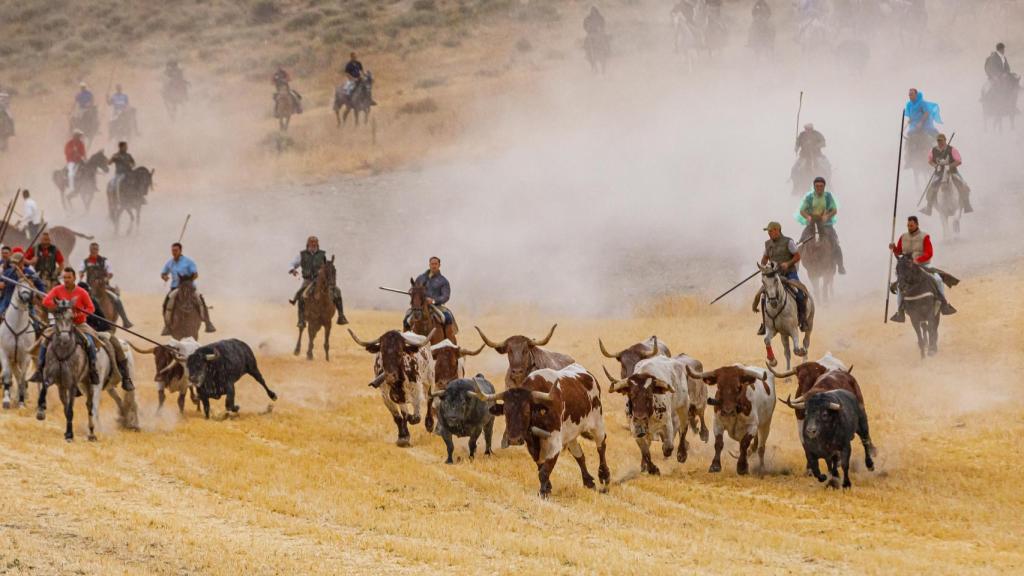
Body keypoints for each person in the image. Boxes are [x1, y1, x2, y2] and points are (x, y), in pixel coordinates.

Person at [30, 268, 130, 391]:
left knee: (90, 340)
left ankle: (93, 369)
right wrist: (57, 307)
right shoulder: (57, 290)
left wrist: (78, 314)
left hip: (79, 323)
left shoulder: (82, 292)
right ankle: (40, 369)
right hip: (62, 324)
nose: (66, 280)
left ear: (74, 278)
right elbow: (46, 301)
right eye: (64, 278)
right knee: (45, 338)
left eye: (68, 277)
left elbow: (91, 308)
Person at [888, 216, 956, 322]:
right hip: (908, 268)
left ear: (916, 224)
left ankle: (944, 305)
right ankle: (900, 312)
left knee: (938, 279)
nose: (909, 227)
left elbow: (929, 253)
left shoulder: (924, 237)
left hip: (923, 266)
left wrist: (918, 260)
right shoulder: (903, 237)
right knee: (899, 285)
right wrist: (894, 248)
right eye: (908, 225)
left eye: (911, 225)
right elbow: (899, 252)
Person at [75, 280, 134, 391]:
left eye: (85, 293)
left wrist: (96, 329)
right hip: (78, 331)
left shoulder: (93, 302)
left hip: (97, 331)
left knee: (116, 344)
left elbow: (103, 321)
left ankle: (125, 377)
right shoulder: (72, 303)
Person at [758, 221, 808, 334]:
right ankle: (765, 324)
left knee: (800, 294)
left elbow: (797, 256)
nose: (769, 233)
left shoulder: (788, 242)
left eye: (771, 231)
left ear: (777, 230)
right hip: (774, 275)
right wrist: (764, 266)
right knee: (763, 296)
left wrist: (788, 263)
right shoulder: (768, 244)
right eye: (768, 232)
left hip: (789, 273)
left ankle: (803, 320)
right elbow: (764, 258)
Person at [288, 236, 349, 327]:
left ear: (317, 244)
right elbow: (292, 264)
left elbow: (327, 266)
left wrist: (329, 268)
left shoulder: (322, 255)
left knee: (337, 291)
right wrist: (293, 270)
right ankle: (301, 320)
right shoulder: (302, 255)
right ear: (308, 244)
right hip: (308, 280)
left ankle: (341, 315)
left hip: (320, 280)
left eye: (315, 244)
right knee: (301, 295)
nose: (313, 245)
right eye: (311, 244)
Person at [160, 242, 215, 335]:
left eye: (176, 250)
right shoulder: (170, 263)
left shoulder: (188, 262)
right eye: (173, 251)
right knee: (165, 304)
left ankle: (208, 323)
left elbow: (195, 274)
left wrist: (188, 281)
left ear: (180, 251)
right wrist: (165, 277)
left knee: (200, 300)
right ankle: (167, 326)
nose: (174, 252)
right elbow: (163, 273)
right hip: (175, 287)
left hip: (188, 287)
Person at [796, 176, 846, 275]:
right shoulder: (809, 197)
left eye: (821, 186)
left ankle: (840, 266)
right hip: (811, 223)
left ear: (824, 186)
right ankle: (796, 266)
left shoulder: (828, 196)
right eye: (817, 186)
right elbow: (802, 210)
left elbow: (834, 210)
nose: (819, 188)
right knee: (801, 243)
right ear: (814, 187)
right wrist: (808, 217)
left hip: (826, 225)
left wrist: (827, 216)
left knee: (835, 243)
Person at [79, 242, 133, 328]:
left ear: (98, 250)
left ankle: (125, 320)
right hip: (90, 286)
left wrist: (106, 279)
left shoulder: (104, 261)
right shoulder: (85, 261)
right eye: (93, 249)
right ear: (90, 250)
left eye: (96, 249)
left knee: (116, 298)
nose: (94, 251)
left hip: (103, 285)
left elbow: (110, 273)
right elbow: (81, 270)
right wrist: (81, 274)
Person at [921, 133, 973, 216]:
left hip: (952, 172)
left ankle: (967, 204)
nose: (940, 142)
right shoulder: (933, 150)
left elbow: (959, 161)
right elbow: (930, 160)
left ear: (945, 140)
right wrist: (935, 166)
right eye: (938, 141)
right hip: (939, 173)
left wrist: (950, 166)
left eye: (941, 140)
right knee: (931, 188)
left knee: (963, 185)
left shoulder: (952, 150)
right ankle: (929, 207)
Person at [404, 256, 456, 337]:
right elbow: (414, 289)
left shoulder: (443, 281)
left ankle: (449, 341)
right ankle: (405, 340)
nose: (434, 266)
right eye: (432, 264)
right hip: (420, 306)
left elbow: (446, 296)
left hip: (436, 306)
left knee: (447, 318)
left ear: (439, 265)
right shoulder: (420, 278)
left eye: (436, 264)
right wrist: (412, 293)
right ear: (429, 265)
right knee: (406, 319)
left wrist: (433, 300)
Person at [0, 250, 45, 323]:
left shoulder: (30, 273)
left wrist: (38, 296)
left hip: (26, 303)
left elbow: (40, 286)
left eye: (17, 263)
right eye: (13, 263)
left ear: (22, 262)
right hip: (7, 301)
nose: (15, 265)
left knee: (36, 325)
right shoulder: (8, 272)